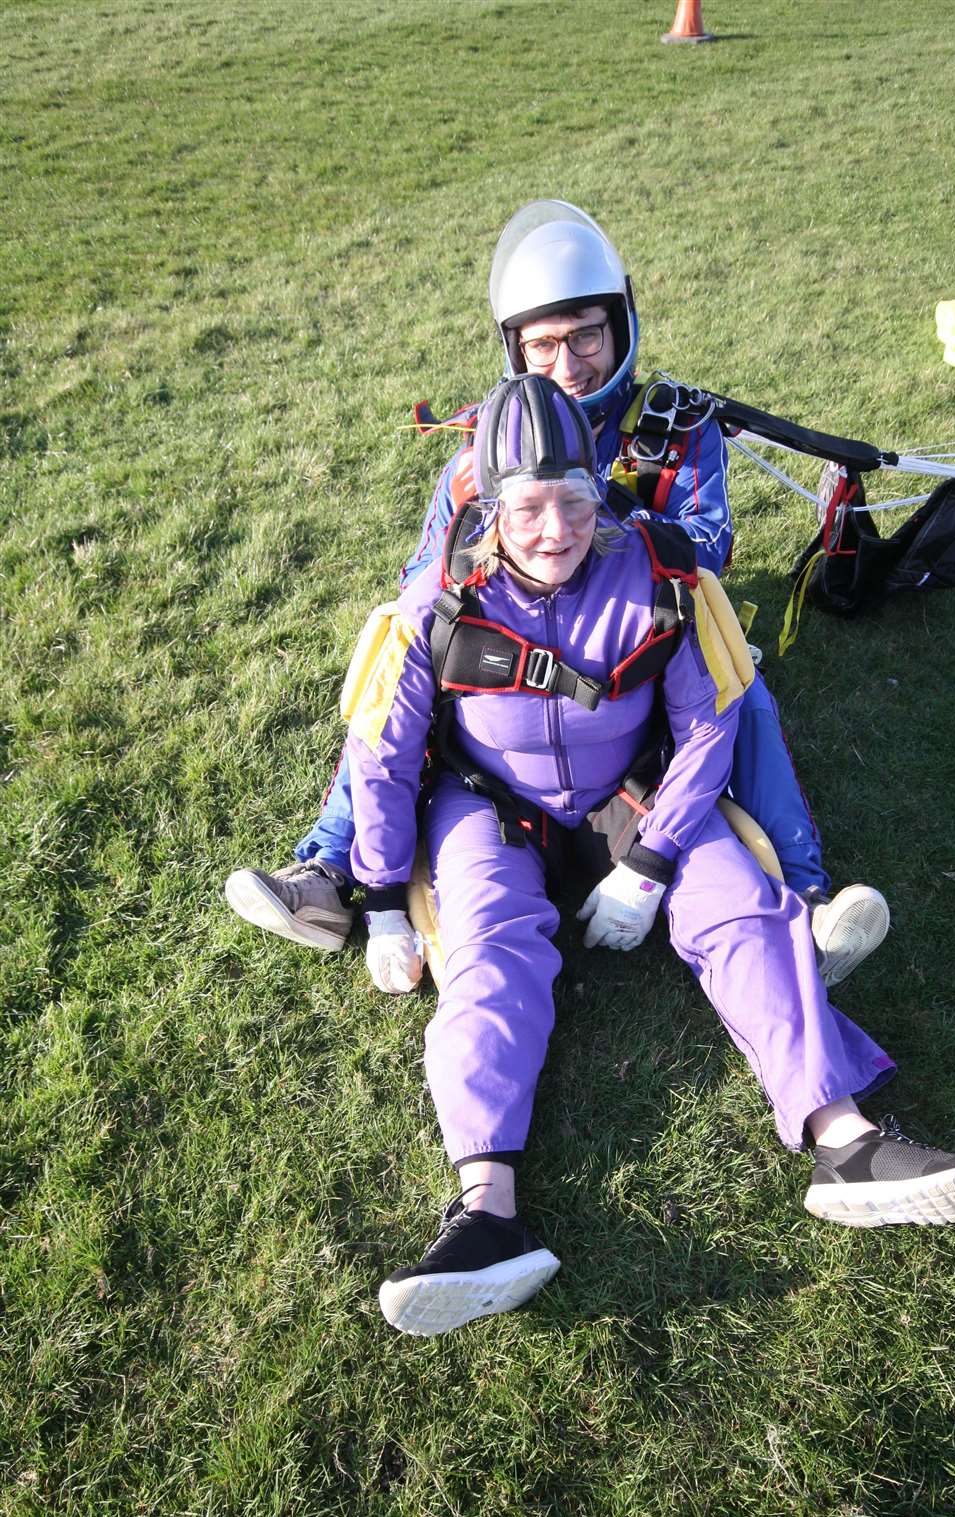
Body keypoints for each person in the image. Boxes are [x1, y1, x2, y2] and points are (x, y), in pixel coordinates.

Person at [341, 373, 955, 1338]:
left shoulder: (660, 571)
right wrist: (381, 901)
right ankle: (485, 1213)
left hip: (634, 797)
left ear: (598, 490)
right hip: (490, 808)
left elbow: (710, 727)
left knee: (742, 904)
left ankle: (847, 1144)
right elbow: (386, 756)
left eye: (574, 500)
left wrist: (649, 864)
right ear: (488, 503)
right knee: (487, 951)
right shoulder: (433, 602)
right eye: (526, 506)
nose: (554, 529)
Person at [225, 202, 890, 989]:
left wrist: (578, 503)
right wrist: (469, 535)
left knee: (737, 681)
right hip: (506, 653)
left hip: (637, 643)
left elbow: (707, 547)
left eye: (584, 337)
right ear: (515, 350)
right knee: (393, 672)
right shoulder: (484, 443)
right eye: (543, 346)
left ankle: (807, 898)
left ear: (619, 327)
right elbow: (419, 584)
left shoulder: (674, 429)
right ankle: (332, 874)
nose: (568, 365)